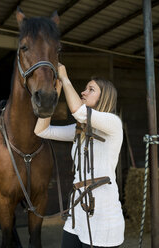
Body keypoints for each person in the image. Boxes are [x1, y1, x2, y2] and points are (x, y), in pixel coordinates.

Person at [34, 63, 125, 248]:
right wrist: (55, 95)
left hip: (104, 215)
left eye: (90, 89)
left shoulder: (113, 123)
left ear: (104, 97)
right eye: (84, 89)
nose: (83, 92)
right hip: (78, 212)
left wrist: (65, 78)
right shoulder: (80, 130)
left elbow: (79, 112)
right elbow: (41, 130)